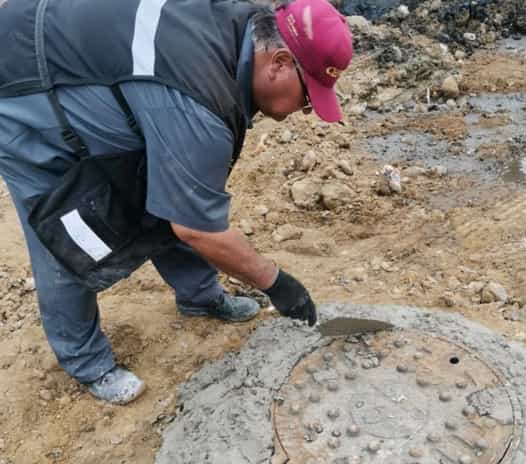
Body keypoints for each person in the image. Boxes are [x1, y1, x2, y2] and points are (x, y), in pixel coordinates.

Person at [0, 0, 353, 404]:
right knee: (71, 234)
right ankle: (87, 362)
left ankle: (200, 297)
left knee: (174, 192)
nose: (305, 112)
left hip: (90, 70)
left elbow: (184, 202)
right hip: (21, 92)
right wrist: (276, 282)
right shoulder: (199, 99)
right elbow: (197, 228)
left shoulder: (237, 27)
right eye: (307, 97)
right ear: (278, 62)